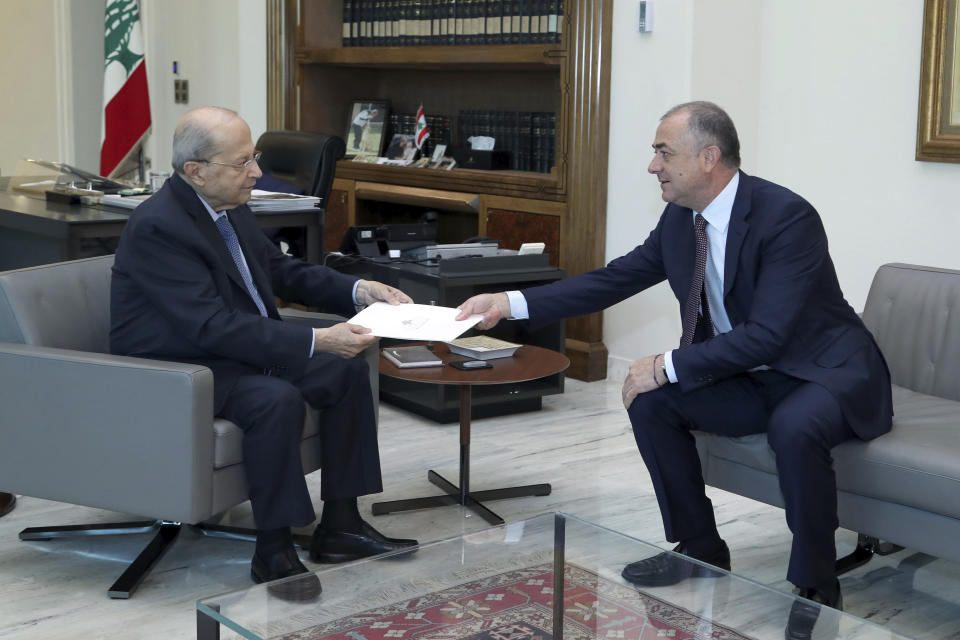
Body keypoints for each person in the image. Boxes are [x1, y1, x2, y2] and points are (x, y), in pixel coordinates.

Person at [456, 101, 892, 639]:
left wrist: (666, 364)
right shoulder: (682, 218)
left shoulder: (787, 216)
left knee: (793, 426)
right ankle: (699, 546)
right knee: (651, 401)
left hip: (821, 369)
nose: (652, 166)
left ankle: (817, 583)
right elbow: (615, 279)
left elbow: (771, 334)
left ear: (708, 157)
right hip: (754, 370)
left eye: (664, 152)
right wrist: (509, 303)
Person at [111, 106, 417, 599]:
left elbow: (283, 272)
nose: (256, 172)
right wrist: (317, 339)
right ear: (197, 171)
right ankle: (273, 550)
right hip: (180, 368)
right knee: (274, 399)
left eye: (253, 157)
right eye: (242, 163)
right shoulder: (159, 227)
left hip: (235, 351)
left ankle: (341, 525)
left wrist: (359, 290)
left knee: (344, 375)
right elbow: (208, 326)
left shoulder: (230, 208)